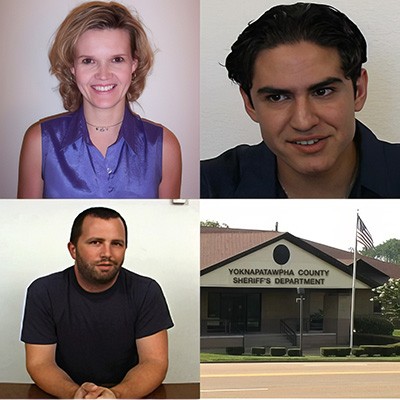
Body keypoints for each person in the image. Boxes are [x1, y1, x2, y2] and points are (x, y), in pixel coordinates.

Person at [201, 2, 400, 198]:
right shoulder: (206, 186)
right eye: (277, 97)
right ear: (249, 103)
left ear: (359, 90)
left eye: (322, 92)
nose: (303, 122)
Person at [18, 1, 181, 199]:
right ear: (73, 68)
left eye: (117, 59)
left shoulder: (165, 148)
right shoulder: (39, 142)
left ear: (134, 64)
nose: (103, 75)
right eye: (88, 61)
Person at [21, 207, 174, 399]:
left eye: (117, 243)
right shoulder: (43, 292)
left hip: (126, 392)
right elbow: (40, 363)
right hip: (65, 392)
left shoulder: (146, 291)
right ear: (73, 249)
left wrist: (115, 395)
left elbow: (154, 362)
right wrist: (75, 394)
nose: (107, 253)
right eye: (95, 242)